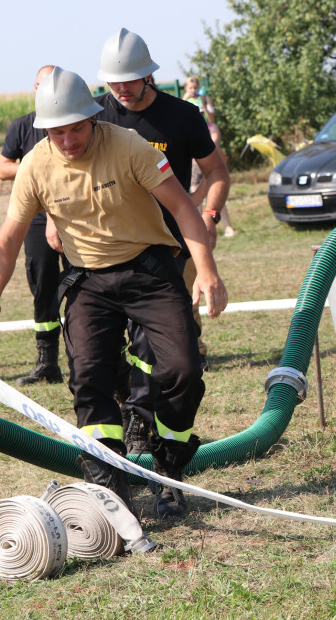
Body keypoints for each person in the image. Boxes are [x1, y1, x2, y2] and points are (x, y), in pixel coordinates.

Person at [0, 68, 227, 518]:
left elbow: (183, 208)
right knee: (89, 380)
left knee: (183, 370)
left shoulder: (128, 146)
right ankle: (112, 493)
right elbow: (9, 237)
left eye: (75, 129)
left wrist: (205, 269)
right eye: (57, 132)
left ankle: (169, 472)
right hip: (89, 281)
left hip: (150, 270)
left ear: (92, 118)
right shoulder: (35, 164)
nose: (68, 141)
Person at [96, 29, 231, 457]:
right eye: (114, 82)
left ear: (149, 75)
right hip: (114, 248)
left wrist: (208, 215)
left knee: (161, 342)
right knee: (106, 345)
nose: (122, 90)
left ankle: (148, 423)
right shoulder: (96, 117)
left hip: (175, 244)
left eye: (131, 81)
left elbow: (218, 173)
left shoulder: (182, 116)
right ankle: (132, 408)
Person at [0, 65, 66, 386]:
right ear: (34, 88)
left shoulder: (75, 122)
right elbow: (2, 169)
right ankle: (47, 362)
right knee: (43, 285)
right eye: (42, 84)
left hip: (75, 213)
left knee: (90, 283)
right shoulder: (22, 126)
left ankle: (94, 355)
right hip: (36, 218)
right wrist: (31, 164)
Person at [183, 75, 236, 237]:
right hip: (192, 157)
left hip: (207, 148)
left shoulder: (205, 101)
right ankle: (199, 225)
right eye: (190, 88)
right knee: (194, 189)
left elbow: (212, 118)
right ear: (186, 89)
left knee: (215, 190)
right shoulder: (182, 102)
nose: (193, 90)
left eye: (195, 87)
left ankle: (227, 226)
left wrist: (204, 104)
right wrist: (185, 99)